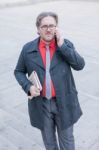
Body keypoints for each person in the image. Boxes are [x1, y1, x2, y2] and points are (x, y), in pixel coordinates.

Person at [14, 11, 85, 150]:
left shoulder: (65, 45)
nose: (48, 29)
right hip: (42, 104)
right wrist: (28, 86)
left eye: (52, 25)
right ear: (38, 29)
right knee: (49, 143)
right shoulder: (27, 49)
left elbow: (80, 65)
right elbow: (18, 71)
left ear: (56, 27)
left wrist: (62, 46)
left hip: (64, 102)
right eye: (44, 26)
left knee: (68, 142)